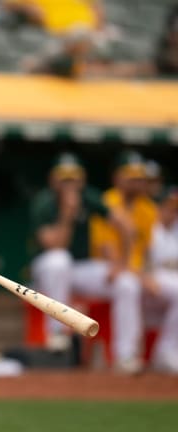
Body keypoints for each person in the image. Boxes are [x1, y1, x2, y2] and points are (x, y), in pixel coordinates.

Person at [29, 152, 141, 373]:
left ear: (82, 179)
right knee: (59, 261)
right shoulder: (44, 202)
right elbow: (55, 245)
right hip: (46, 272)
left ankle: (125, 356)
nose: (69, 184)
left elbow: (127, 227)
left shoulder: (88, 197)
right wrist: (67, 215)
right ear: (53, 179)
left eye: (74, 178)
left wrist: (122, 264)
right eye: (64, 178)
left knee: (127, 283)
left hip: (81, 269)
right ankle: (58, 335)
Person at [88, 150, 157, 372]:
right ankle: (124, 356)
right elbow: (108, 251)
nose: (137, 182)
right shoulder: (106, 202)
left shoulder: (148, 208)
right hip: (104, 270)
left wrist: (145, 275)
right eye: (131, 176)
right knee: (127, 283)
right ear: (118, 177)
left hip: (136, 272)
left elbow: (146, 253)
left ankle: (167, 353)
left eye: (139, 177)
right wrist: (138, 275)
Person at [143, 186, 178, 374]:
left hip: (168, 286)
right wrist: (143, 276)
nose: (173, 212)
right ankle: (166, 352)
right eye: (170, 207)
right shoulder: (150, 227)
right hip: (148, 286)